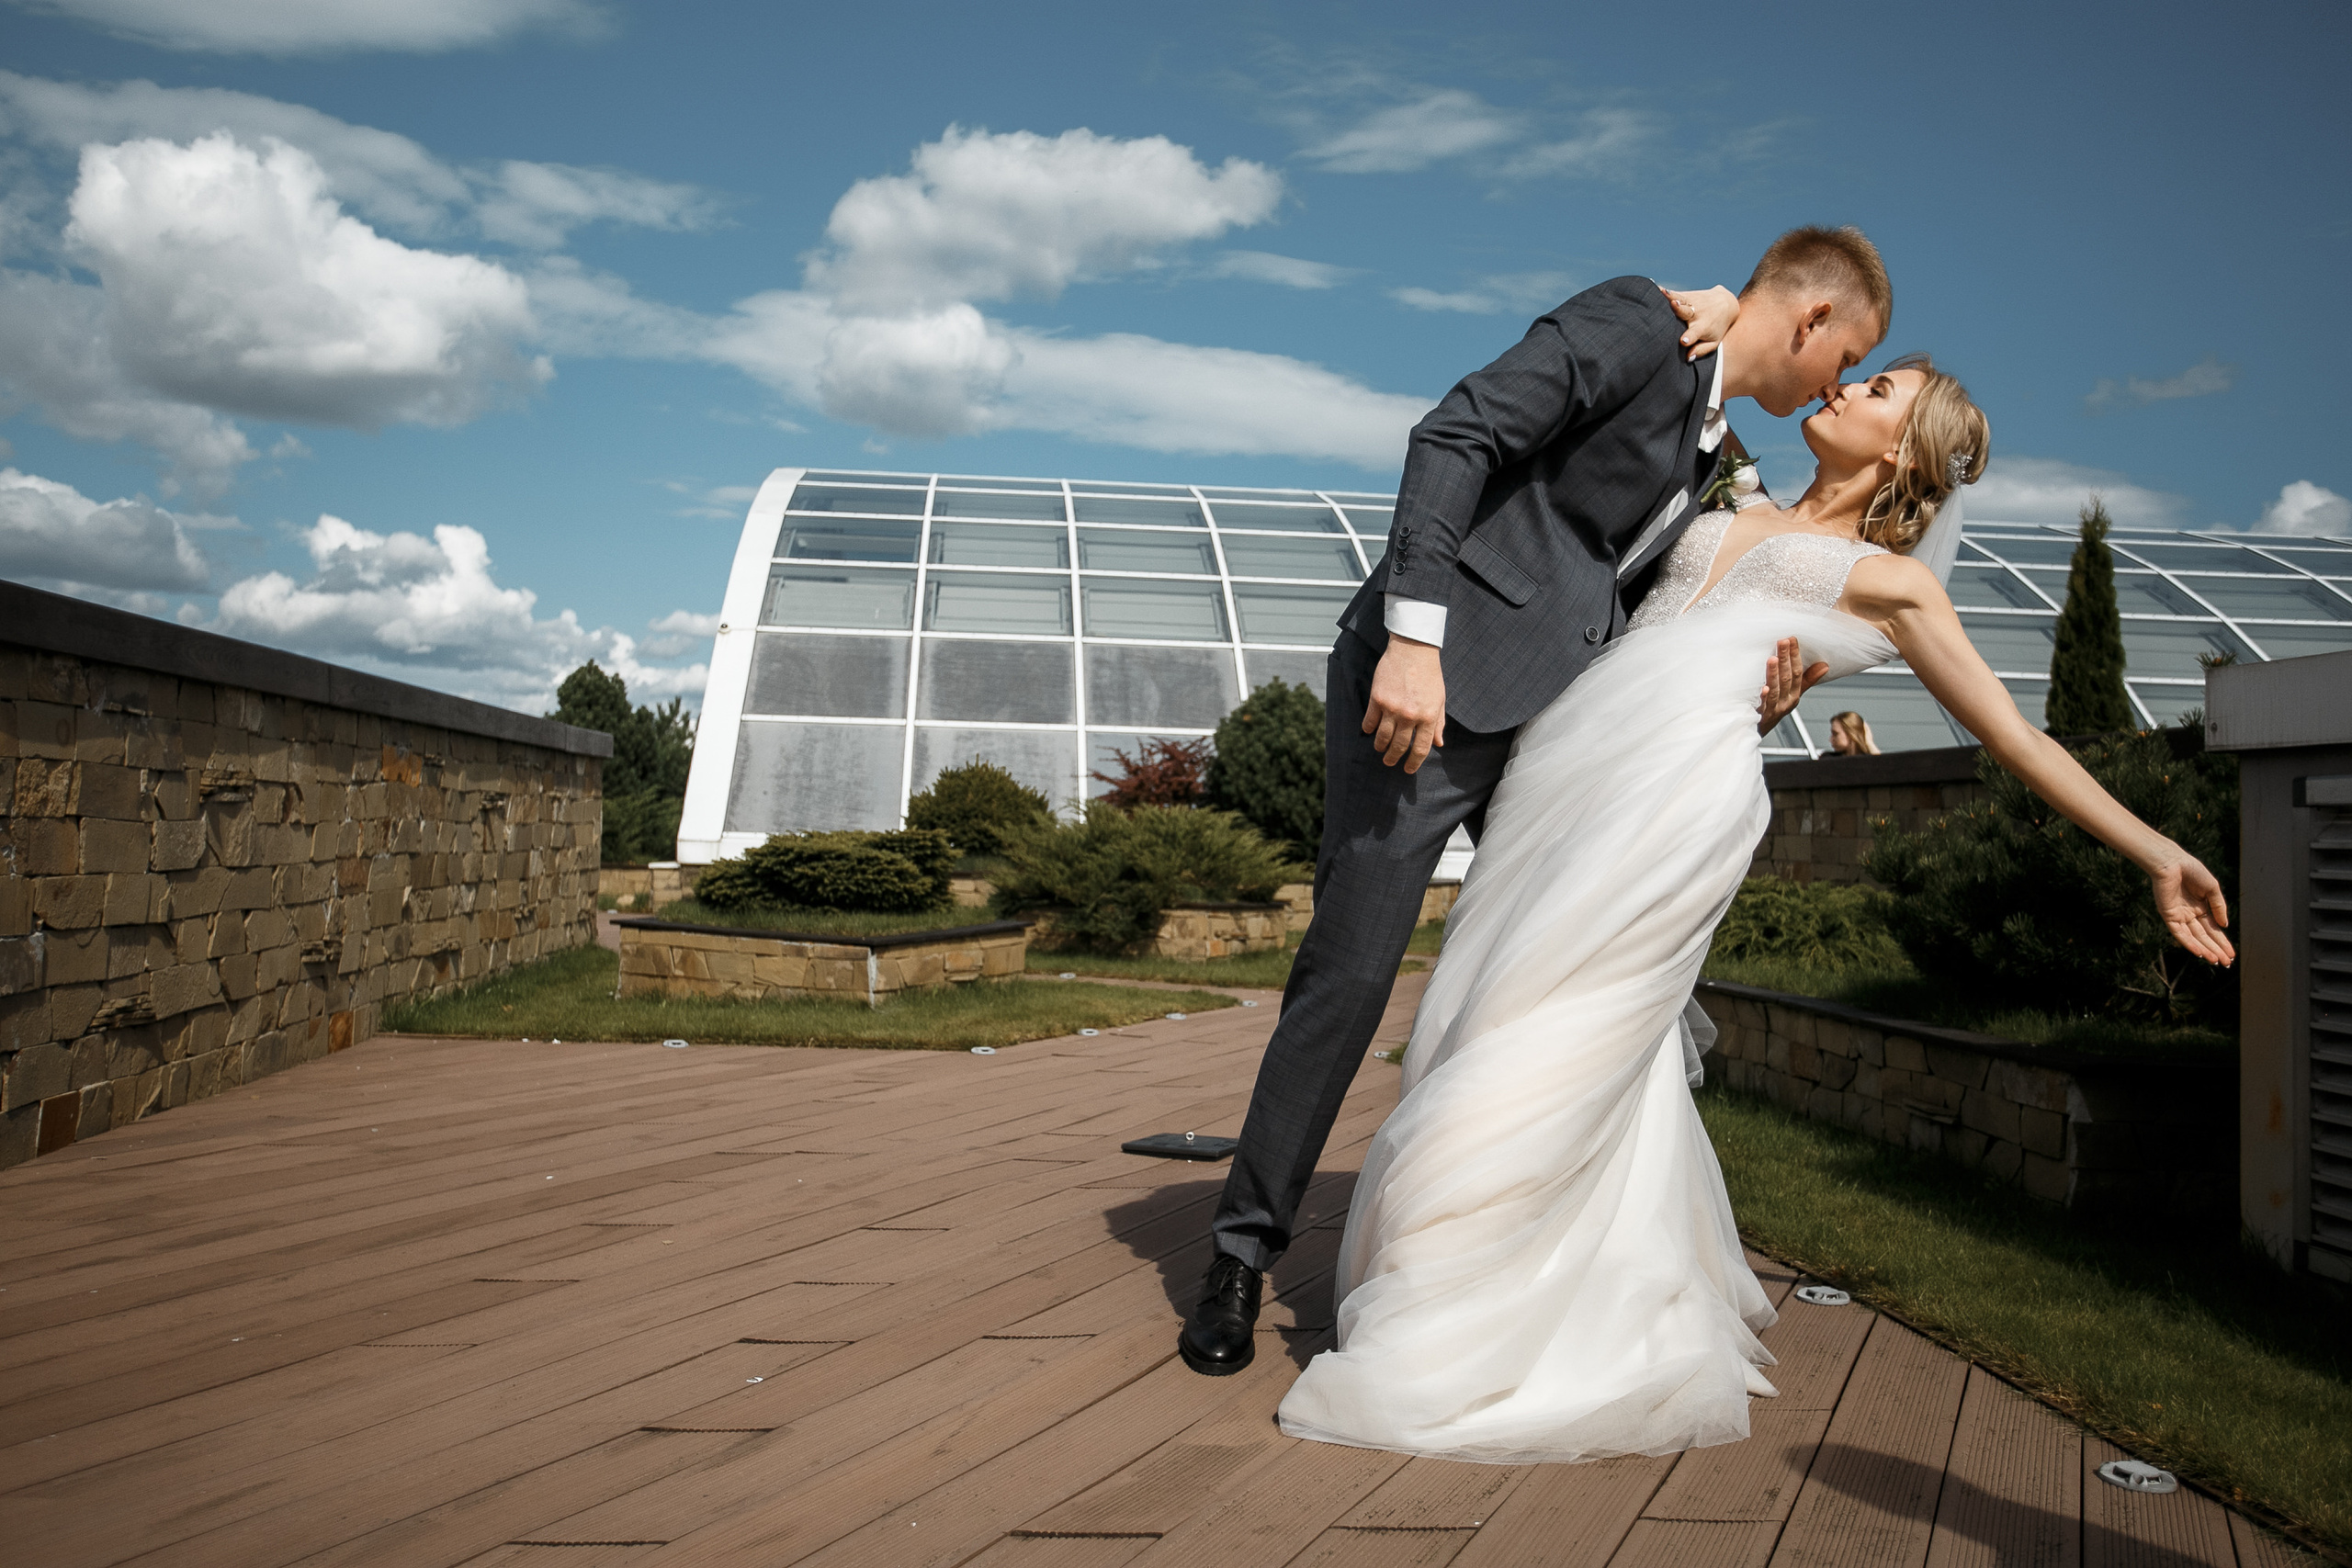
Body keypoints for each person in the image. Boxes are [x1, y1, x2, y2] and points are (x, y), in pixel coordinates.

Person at [1271, 353, 2233, 1463]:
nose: (1850, 387)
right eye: (1860, 372)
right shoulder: (1729, 493)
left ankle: (1455, 1308)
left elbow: (2015, 738)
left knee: (1562, 1038)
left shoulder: (1892, 584)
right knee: (1489, 1013)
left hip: (1675, 811)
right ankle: (1561, 1275)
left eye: (1879, 393)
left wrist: (2157, 851)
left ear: (1906, 453)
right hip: (1555, 791)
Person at [1180, 226, 1893, 1377]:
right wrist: (1415, 641)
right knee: (1354, 972)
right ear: (1809, 320)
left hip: (1553, 732)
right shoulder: (1633, 323)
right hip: (1426, 697)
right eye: (1845, 354)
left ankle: (1500, 1265)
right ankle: (1240, 1253)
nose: (1837, 383)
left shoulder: (1716, 439)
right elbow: (1454, 432)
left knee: (1569, 967)